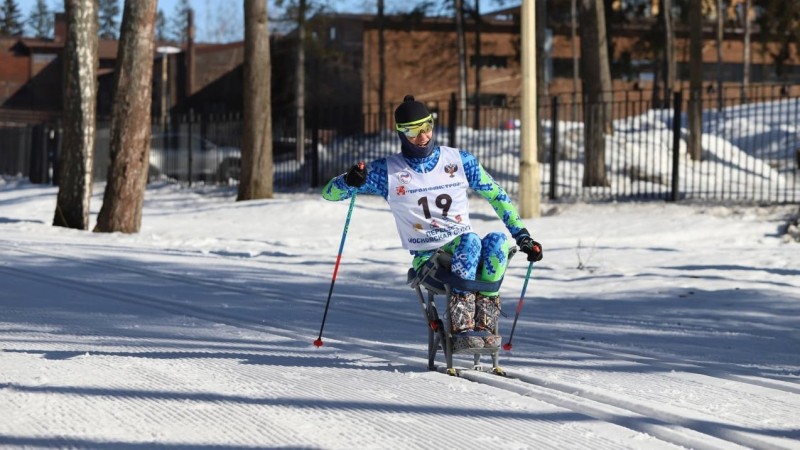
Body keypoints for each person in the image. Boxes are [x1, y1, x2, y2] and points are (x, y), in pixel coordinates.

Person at [322, 95, 543, 351]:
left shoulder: (460, 161)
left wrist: (522, 236)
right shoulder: (388, 172)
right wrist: (349, 180)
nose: (422, 137)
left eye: (426, 127)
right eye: (412, 132)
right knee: (470, 241)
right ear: (400, 133)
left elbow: (497, 195)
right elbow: (329, 193)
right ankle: (461, 324)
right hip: (430, 262)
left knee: (496, 241)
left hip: (464, 251)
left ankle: (485, 323)